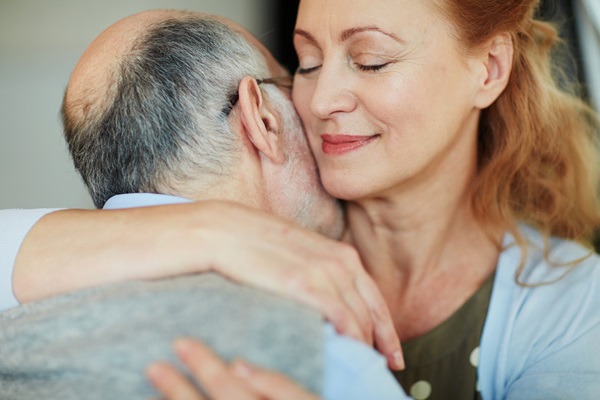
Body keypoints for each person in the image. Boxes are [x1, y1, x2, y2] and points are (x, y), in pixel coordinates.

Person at [2, 0, 600, 398]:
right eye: (306, 63)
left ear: (490, 68)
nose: (319, 100)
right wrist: (205, 231)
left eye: (370, 59)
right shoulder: (264, 286)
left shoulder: (572, 305)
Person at [0, 10, 406, 400]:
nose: (318, 108)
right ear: (261, 119)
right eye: (293, 79)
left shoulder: (14, 319)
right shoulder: (323, 356)